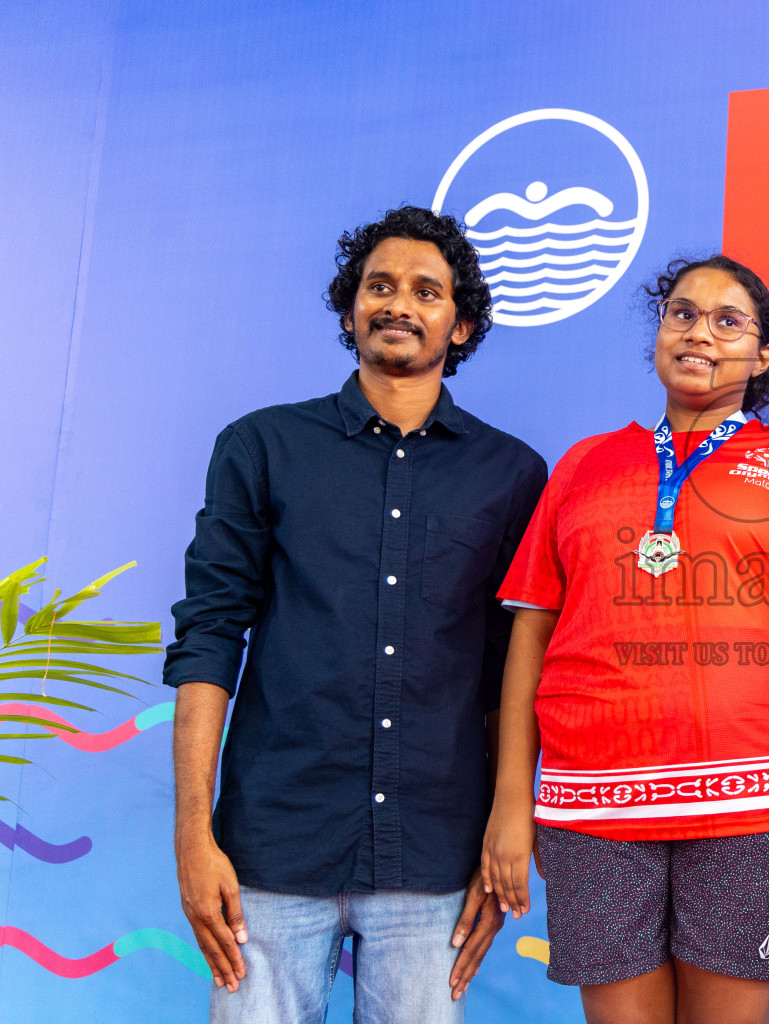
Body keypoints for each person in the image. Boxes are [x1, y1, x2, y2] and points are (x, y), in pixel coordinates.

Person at [165, 205, 547, 1023]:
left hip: (434, 852)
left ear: (463, 325)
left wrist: (501, 837)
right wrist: (193, 836)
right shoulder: (262, 446)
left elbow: (508, 674)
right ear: (349, 310)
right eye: (379, 285)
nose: (398, 304)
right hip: (271, 847)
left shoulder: (511, 474)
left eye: (425, 290)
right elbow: (207, 640)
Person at [480, 255, 769, 1024]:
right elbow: (528, 635)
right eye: (683, 313)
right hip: (593, 804)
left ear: (763, 356)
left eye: (729, 320)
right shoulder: (583, 465)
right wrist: (509, 802)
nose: (700, 332)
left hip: (757, 797)